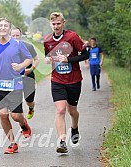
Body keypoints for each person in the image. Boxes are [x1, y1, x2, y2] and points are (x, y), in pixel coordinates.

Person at [0, 18, 33, 154]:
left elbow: (29, 58)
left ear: (10, 29)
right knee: (3, 115)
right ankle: (12, 143)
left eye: (6, 26)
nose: (3, 28)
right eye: (0, 26)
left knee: (16, 116)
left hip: (15, 84)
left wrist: (21, 66)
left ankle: (24, 124)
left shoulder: (17, 44)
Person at [43, 12, 89, 153]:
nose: (56, 26)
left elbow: (85, 54)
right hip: (57, 80)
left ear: (63, 23)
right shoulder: (47, 40)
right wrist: (47, 59)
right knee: (60, 110)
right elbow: (47, 54)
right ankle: (62, 141)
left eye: (58, 23)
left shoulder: (72, 37)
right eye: (53, 24)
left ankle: (74, 128)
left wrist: (68, 60)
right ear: (51, 24)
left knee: (72, 111)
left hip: (74, 80)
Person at [11, 27, 39, 119]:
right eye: (13, 36)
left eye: (17, 35)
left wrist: (31, 69)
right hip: (14, 78)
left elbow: (36, 59)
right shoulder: (7, 48)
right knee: (16, 102)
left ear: (21, 36)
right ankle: (23, 124)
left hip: (28, 76)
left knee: (29, 100)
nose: (15, 37)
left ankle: (31, 108)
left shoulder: (28, 46)